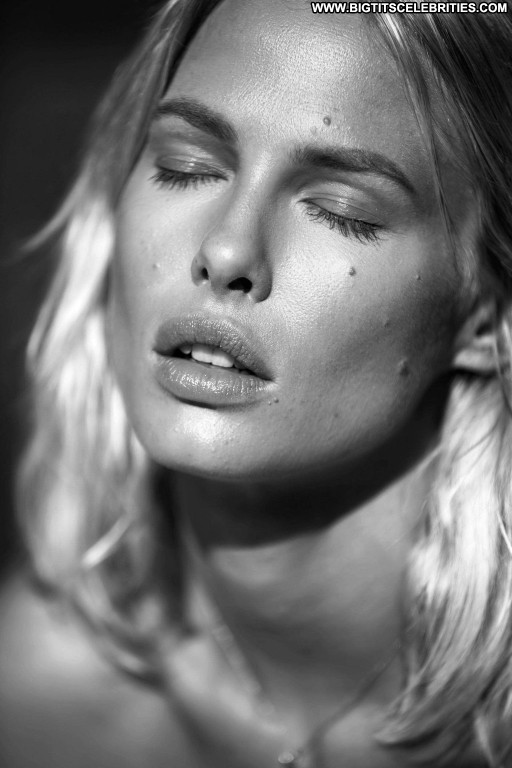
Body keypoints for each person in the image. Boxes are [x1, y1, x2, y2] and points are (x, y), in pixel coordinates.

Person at [0, 2, 511, 766]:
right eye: (187, 165)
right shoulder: (33, 697)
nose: (228, 250)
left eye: (340, 210)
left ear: (487, 314)